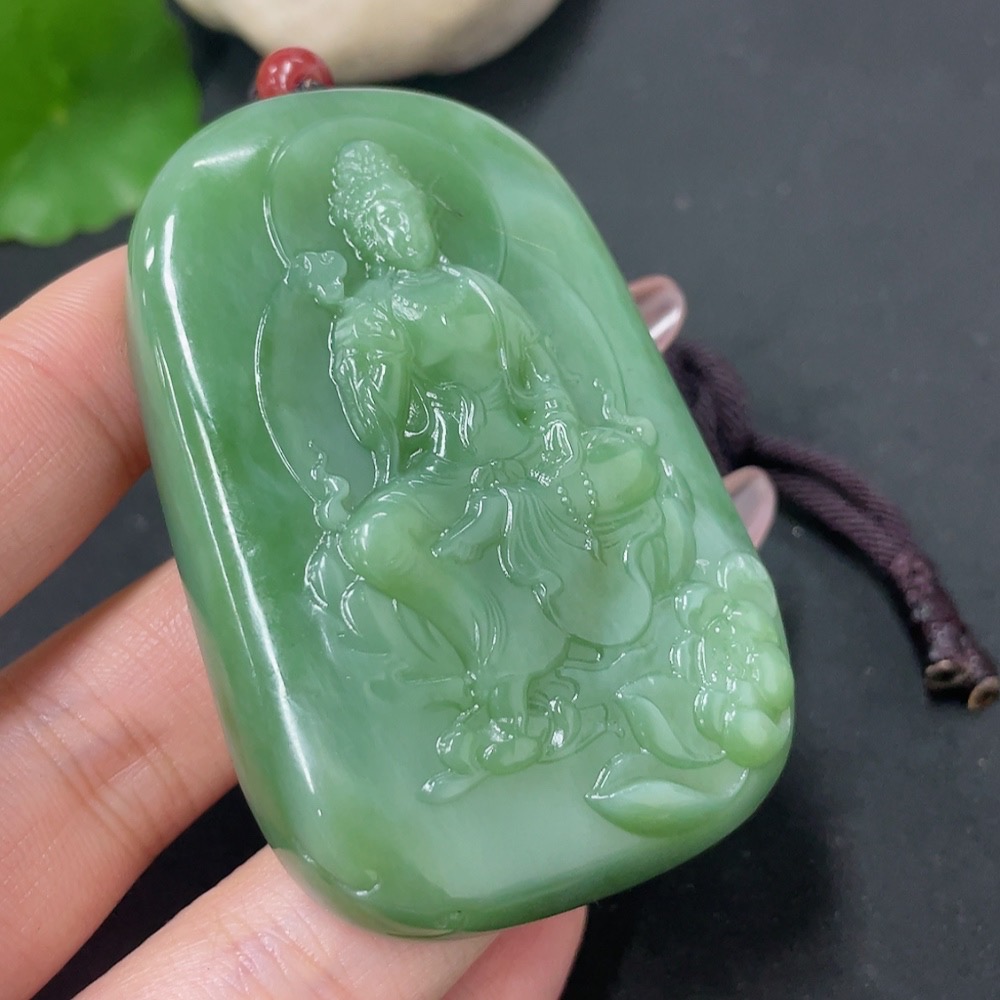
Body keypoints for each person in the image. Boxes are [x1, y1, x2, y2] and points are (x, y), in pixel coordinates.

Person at [0, 251, 770, 998]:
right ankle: (493, 651)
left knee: (628, 467)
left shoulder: (481, 290)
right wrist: (371, 351)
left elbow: (542, 379)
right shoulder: (371, 315)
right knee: (376, 541)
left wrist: (558, 435)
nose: (390, 228)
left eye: (397, 211)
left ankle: (577, 634)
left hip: (532, 459)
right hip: (449, 473)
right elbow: (382, 435)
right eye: (372, 220)